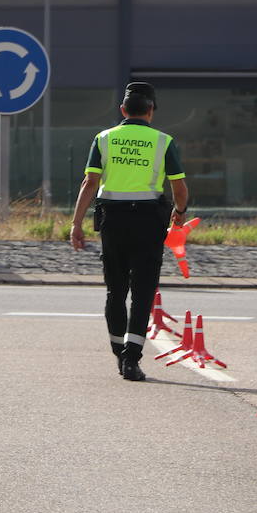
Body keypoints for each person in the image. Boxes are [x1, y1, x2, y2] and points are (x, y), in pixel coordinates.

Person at [70, 82, 190, 382]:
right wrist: (180, 211)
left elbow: (89, 183)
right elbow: (178, 185)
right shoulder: (164, 141)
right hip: (149, 221)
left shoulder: (104, 138)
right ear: (150, 111)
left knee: (116, 289)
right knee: (143, 291)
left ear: (123, 110)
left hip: (113, 221)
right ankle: (131, 359)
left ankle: (117, 350)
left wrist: (76, 223)